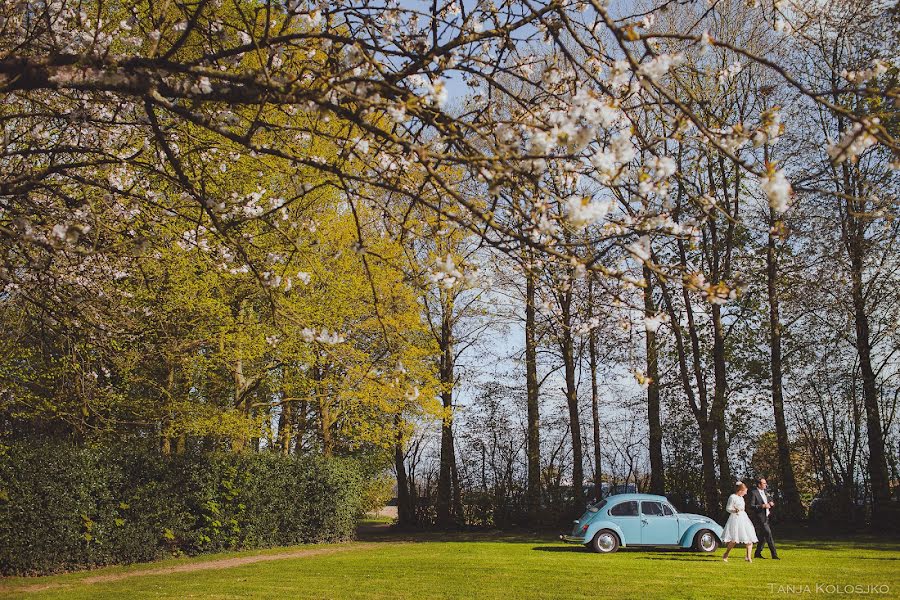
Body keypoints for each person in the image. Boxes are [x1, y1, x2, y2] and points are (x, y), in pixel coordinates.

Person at [721, 481, 758, 562]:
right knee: (734, 539)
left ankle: (748, 557)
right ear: (740, 490)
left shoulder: (741, 498)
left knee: (749, 537)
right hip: (735, 518)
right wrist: (735, 510)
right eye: (744, 491)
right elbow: (728, 508)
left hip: (743, 517)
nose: (745, 493)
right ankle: (726, 554)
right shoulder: (732, 497)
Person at [748, 477, 780, 559]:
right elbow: (751, 506)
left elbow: (770, 500)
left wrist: (771, 503)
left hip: (768, 516)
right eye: (764, 483)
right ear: (759, 484)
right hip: (760, 517)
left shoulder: (766, 492)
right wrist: (762, 506)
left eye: (765, 483)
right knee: (768, 534)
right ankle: (774, 555)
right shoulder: (754, 493)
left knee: (763, 536)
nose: (766, 485)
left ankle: (757, 553)